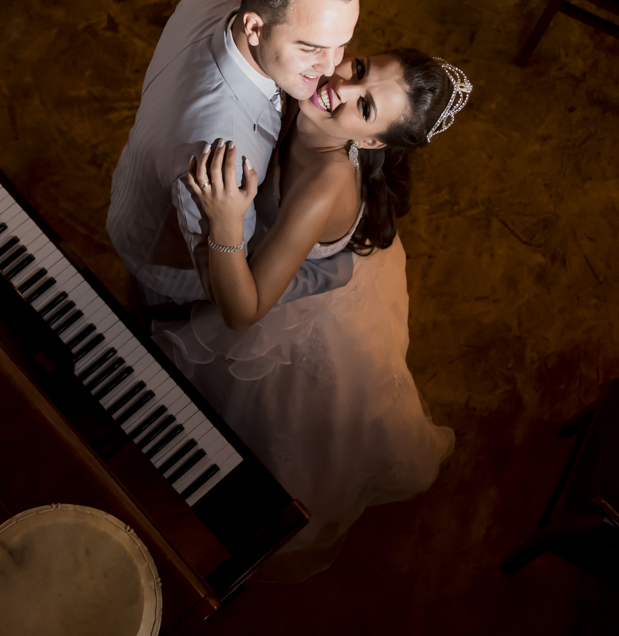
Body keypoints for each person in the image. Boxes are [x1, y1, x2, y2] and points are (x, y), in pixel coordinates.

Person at [154, 48, 470, 582]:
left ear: (370, 142)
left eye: (364, 106)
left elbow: (243, 313)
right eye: (362, 69)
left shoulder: (326, 186)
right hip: (320, 261)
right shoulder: (311, 97)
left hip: (308, 309)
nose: (340, 89)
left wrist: (227, 229)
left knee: (293, 426)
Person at [107, 0, 365, 326]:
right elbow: (220, 286)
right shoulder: (221, 153)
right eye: (311, 47)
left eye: (342, 43)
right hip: (165, 269)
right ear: (254, 27)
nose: (330, 68)